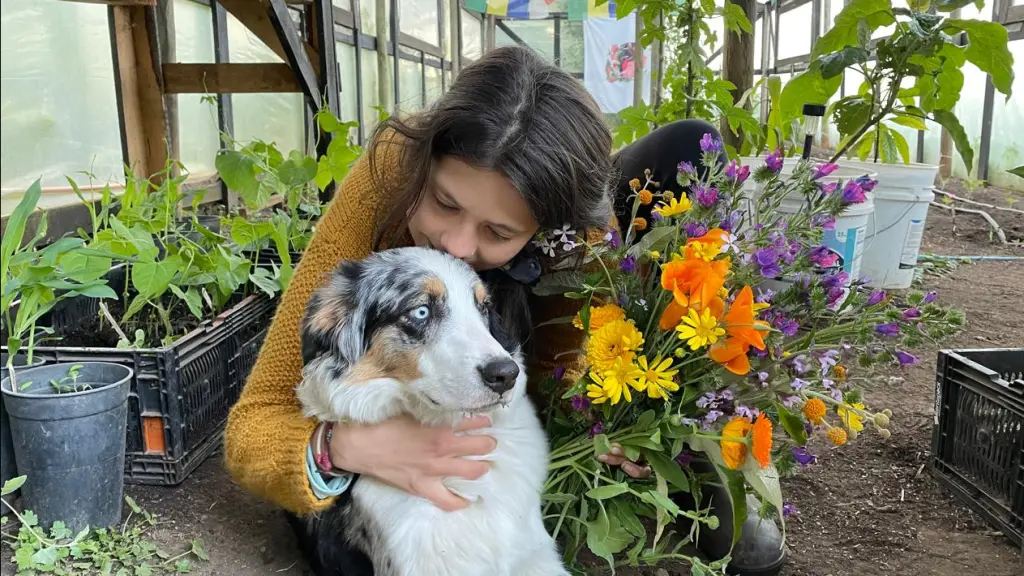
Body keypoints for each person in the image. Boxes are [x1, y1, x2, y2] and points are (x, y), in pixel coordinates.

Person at [224, 45, 783, 575]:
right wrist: (341, 448)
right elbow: (254, 424)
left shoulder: (583, 243)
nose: (458, 245)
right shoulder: (391, 172)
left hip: (553, 283)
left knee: (690, 143)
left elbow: (570, 391)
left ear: (546, 230)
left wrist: (613, 431)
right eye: (445, 202)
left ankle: (730, 431)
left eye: (497, 230)